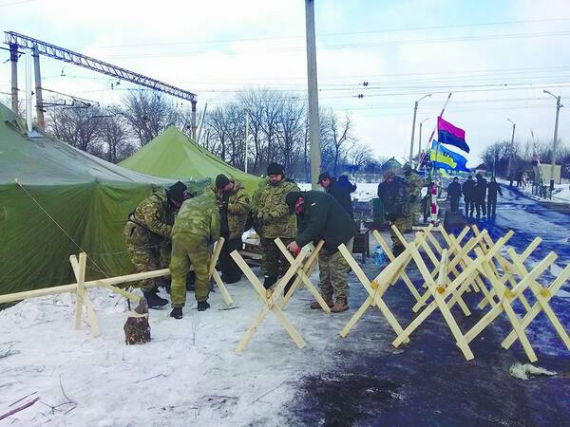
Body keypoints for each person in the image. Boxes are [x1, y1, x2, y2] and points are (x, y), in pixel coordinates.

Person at [284, 191, 356, 313]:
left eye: (296, 208)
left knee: (336, 268)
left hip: (340, 235)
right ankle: (325, 297)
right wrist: (299, 241)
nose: (297, 212)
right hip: (324, 239)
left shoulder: (318, 202)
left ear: (300, 200)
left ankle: (341, 300)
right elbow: (302, 226)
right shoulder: (301, 207)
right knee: (324, 269)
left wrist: (298, 243)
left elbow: (315, 226)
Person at [124, 181, 188, 309]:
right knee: (146, 265)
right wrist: (175, 232)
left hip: (153, 238)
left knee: (163, 259)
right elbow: (154, 225)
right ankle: (150, 296)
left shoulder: (168, 203)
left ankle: (163, 283)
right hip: (138, 238)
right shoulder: (153, 204)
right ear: (173, 198)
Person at [169, 192, 220, 319]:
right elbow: (215, 227)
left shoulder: (187, 202)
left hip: (177, 237)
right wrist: (211, 240)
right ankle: (202, 302)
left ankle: (177, 308)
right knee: (201, 271)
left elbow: (177, 219)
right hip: (197, 238)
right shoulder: (212, 205)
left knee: (177, 273)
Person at [252, 162, 300, 293]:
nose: (273, 178)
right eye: (271, 176)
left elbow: (287, 206)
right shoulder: (265, 188)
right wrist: (257, 213)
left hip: (285, 231)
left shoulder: (291, 187)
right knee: (269, 258)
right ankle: (270, 280)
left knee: (286, 260)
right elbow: (257, 202)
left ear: (282, 174)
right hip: (267, 232)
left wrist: (269, 215)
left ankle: (288, 284)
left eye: (276, 176)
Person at [205, 174, 250, 284]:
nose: (221, 191)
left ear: (228, 184)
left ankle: (234, 276)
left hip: (234, 230)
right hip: (222, 228)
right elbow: (208, 189)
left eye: (223, 188)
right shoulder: (220, 190)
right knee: (222, 254)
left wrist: (227, 206)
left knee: (233, 254)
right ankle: (225, 274)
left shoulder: (241, 192)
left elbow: (244, 208)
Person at [377, 169, 410, 256]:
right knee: (394, 232)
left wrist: (393, 212)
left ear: (392, 177)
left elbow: (400, 201)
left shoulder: (399, 186)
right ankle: (399, 250)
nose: (386, 180)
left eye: (388, 178)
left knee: (398, 232)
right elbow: (383, 197)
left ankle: (399, 252)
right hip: (391, 211)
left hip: (400, 213)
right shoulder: (386, 186)